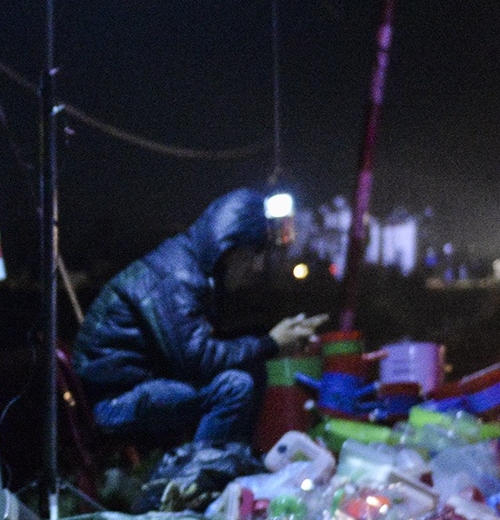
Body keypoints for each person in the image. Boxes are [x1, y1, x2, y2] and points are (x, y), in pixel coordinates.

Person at [73, 189, 321, 448]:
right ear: (228, 247)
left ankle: (223, 463)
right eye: (254, 251)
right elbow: (196, 360)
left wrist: (272, 339)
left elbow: (197, 346)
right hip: (112, 402)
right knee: (234, 386)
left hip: (134, 387)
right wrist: (269, 343)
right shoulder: (177, 276)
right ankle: (194, 475)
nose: (258, 266)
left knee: (243, 371)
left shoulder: (192, 269)